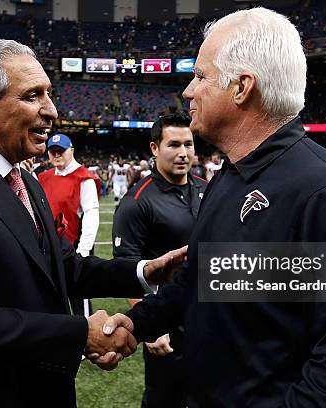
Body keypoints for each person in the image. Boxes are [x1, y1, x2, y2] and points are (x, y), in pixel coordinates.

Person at [100, 8, 326, 407]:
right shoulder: (229, 176)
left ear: (242, 87)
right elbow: (201, 282)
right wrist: (138, 322)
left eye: (201, 76)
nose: (188, 90)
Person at [0, 39, 184, 408]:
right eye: (32, 96)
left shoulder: (25, 179)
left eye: (49, 94)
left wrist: (142, 272)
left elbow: (61, 265)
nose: (51, 110)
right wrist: (82, 334)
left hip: (40, 389)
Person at [113, 111, 206, 407]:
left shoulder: (208, 188)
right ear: (155, 148)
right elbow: (125, 269)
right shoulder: (137, 201)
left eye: (188, 145)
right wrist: (152, 328)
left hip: (210, 322)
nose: (183, 153)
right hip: (167, 324)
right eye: (174, 144)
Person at [38, 133, 101, 316]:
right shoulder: (44, 177)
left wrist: (84, 250)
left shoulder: (83, 177)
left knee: (80, 298)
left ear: (71, 151)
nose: (57, 155)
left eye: (61, 151)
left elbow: (91, 213)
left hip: (74, 247)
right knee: (54, 296)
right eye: (53, 152)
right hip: (51, 247)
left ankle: (88, 340)